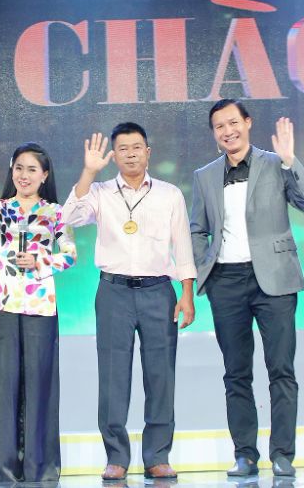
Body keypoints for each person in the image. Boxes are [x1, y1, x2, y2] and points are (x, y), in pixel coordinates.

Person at [189, 99, 304, 478]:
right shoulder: (204, 176)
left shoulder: (275, 163)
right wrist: (206, 268)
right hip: (226, 283)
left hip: (274, 279)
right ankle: (245, 454)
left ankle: (282, 454)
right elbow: (197, 228)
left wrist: (291, 161)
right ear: (214, 133)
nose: (227, 131)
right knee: (236, 373)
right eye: (219, 126)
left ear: (247, 123)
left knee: (281, 369)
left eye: (233, 122)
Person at [63, 123, 196, 482]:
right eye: (123, 149)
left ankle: (158, 455)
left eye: (137, 147)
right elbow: (69, 217)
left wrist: (186, 293)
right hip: (114, 292)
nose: (131, 154)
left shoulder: (169, 194)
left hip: (159, 292)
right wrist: (88, 172)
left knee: (161, 376)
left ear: (148, 152)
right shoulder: (100, 192)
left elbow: (183, 246)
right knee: (113, 376)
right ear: (114, 156)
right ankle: (116, 457)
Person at [0, 135, 76, 482]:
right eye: (18, 169)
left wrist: (41, 260)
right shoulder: (0, 209)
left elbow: (70, 255)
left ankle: (40, 468)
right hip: (2, 301)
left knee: (40, 386)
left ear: (45, 175)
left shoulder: (56, 213)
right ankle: (4, 471)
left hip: (40, 305)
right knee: (3, 387)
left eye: (31, 170)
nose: (23, 175)